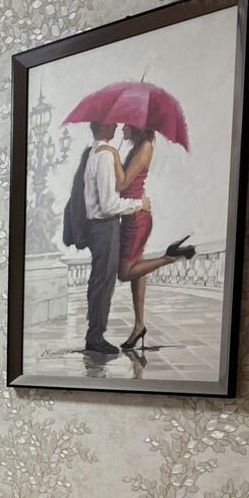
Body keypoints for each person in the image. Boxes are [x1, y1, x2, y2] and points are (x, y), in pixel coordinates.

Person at [109, 124, 195, 350]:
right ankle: (139, 326)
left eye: (127, 124)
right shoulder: (137, 147)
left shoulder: (145, 147)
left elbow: (122, 184)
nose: (122, 128)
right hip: (133, 215)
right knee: (137, 272)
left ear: (137, 126)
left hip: (136, 219)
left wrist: (113, 156)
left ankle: (170, 257)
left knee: (125, 273)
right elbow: (131, 185)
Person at [81, 122, 150, 355]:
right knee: (103, 283)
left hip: (97, 228)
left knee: (98, 282)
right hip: (105, 227)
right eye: (112, 123)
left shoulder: (94, 152)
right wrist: (139, 204)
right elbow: (109, 205)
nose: (117, 126)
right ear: (103, 127)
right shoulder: (105, 156)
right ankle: (95, 337)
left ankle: (94, 334)